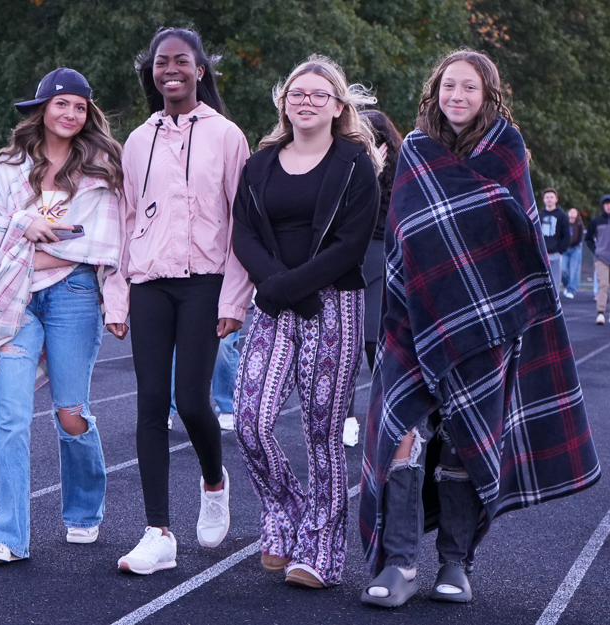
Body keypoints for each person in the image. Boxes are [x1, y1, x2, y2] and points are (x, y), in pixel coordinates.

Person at [359, 49, 600, 608]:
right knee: (401, 434)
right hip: (415, 319)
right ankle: (399, 562)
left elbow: (518, 242)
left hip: (486, 323)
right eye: (449, 86)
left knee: (465, 441)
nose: (458, 96)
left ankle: (454, 563)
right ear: (435, 91)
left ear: (488, 95)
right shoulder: (416, 149)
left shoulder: (508, 151)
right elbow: (407, 236)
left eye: (470, 88)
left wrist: (502, 311)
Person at [103, 27, 252, 575]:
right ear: (152, 71)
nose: (171, 70)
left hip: (205, 283)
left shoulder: (228, 136)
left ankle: (214, 481)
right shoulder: (138, 140)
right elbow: (123, 220)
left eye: (182, 61)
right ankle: (157, 532)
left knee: (191, 401)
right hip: (149, 283)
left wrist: (235, 295)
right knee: (149, 405)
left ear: (200, 70)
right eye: (162, 62)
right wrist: (117, 297)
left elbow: (242, 221)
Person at [0, 68, 123, 564]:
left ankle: (83, 510)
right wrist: (21, 224)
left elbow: (97, 246)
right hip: (16, 298)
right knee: (9, 416)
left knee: (71, 414)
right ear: (42, 109)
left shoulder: (102, 171)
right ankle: (5, 536)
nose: (70, 114)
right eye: (61, 104)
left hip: (74, 297)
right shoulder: (12, 166)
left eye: (79, 106)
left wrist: (28, 245)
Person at [232, 55, 380, 589]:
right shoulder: (262, 161)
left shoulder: (354, 164)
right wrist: (277, 288)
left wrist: (291, 290)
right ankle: (285, 512)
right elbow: (243, 233)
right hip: (274, 305)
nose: (307, 101)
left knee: (322, 433)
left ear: (339, 106)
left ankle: (320, 549)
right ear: (284, 102)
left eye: (320, 94)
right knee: (250, 421)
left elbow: (351, 245)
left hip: (332, 306)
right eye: (298, 92)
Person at [342, 109, 404, 447]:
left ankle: (386, 413)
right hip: (349, 254)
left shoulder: (398, 169)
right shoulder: (348, 163)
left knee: (370, 340)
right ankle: (347, 416)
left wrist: (375, 170)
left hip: (380, 253)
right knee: (345, 340)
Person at [168, 330, 240, 431]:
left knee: (223, 345)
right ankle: (164, 409)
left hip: (222, 313)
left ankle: (228, 408)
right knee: (173, 343)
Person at [584, 194, 610, 324]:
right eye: (606, 204)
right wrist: (596, 250)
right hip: (601, 258)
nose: (608, 206)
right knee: (603, 284)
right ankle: (600, 313)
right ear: (602, 206)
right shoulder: (596, 221)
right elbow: (588, 238)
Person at [538, 187, 571, 293]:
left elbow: (566, 234)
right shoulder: (539, 215)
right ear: (543, 200)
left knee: (555, 280)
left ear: (556, 199)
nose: (549, 199)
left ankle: (555, 303)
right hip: (542, 253)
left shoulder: (561, 216)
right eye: (547, 197)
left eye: (551, 197)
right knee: (541, 280)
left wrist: (561, 250)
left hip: (556, 253)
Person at [561, 207, 585, 299]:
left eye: (574, 212)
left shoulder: (579, 225)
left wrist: (570, 244)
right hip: (565, 250)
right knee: (563, 270)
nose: (572, 213)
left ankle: (571, 290)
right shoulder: (564, 224)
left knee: (573, 271)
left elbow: (579, 239)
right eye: (570, 211)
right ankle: (567, 285)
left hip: (575, 249)